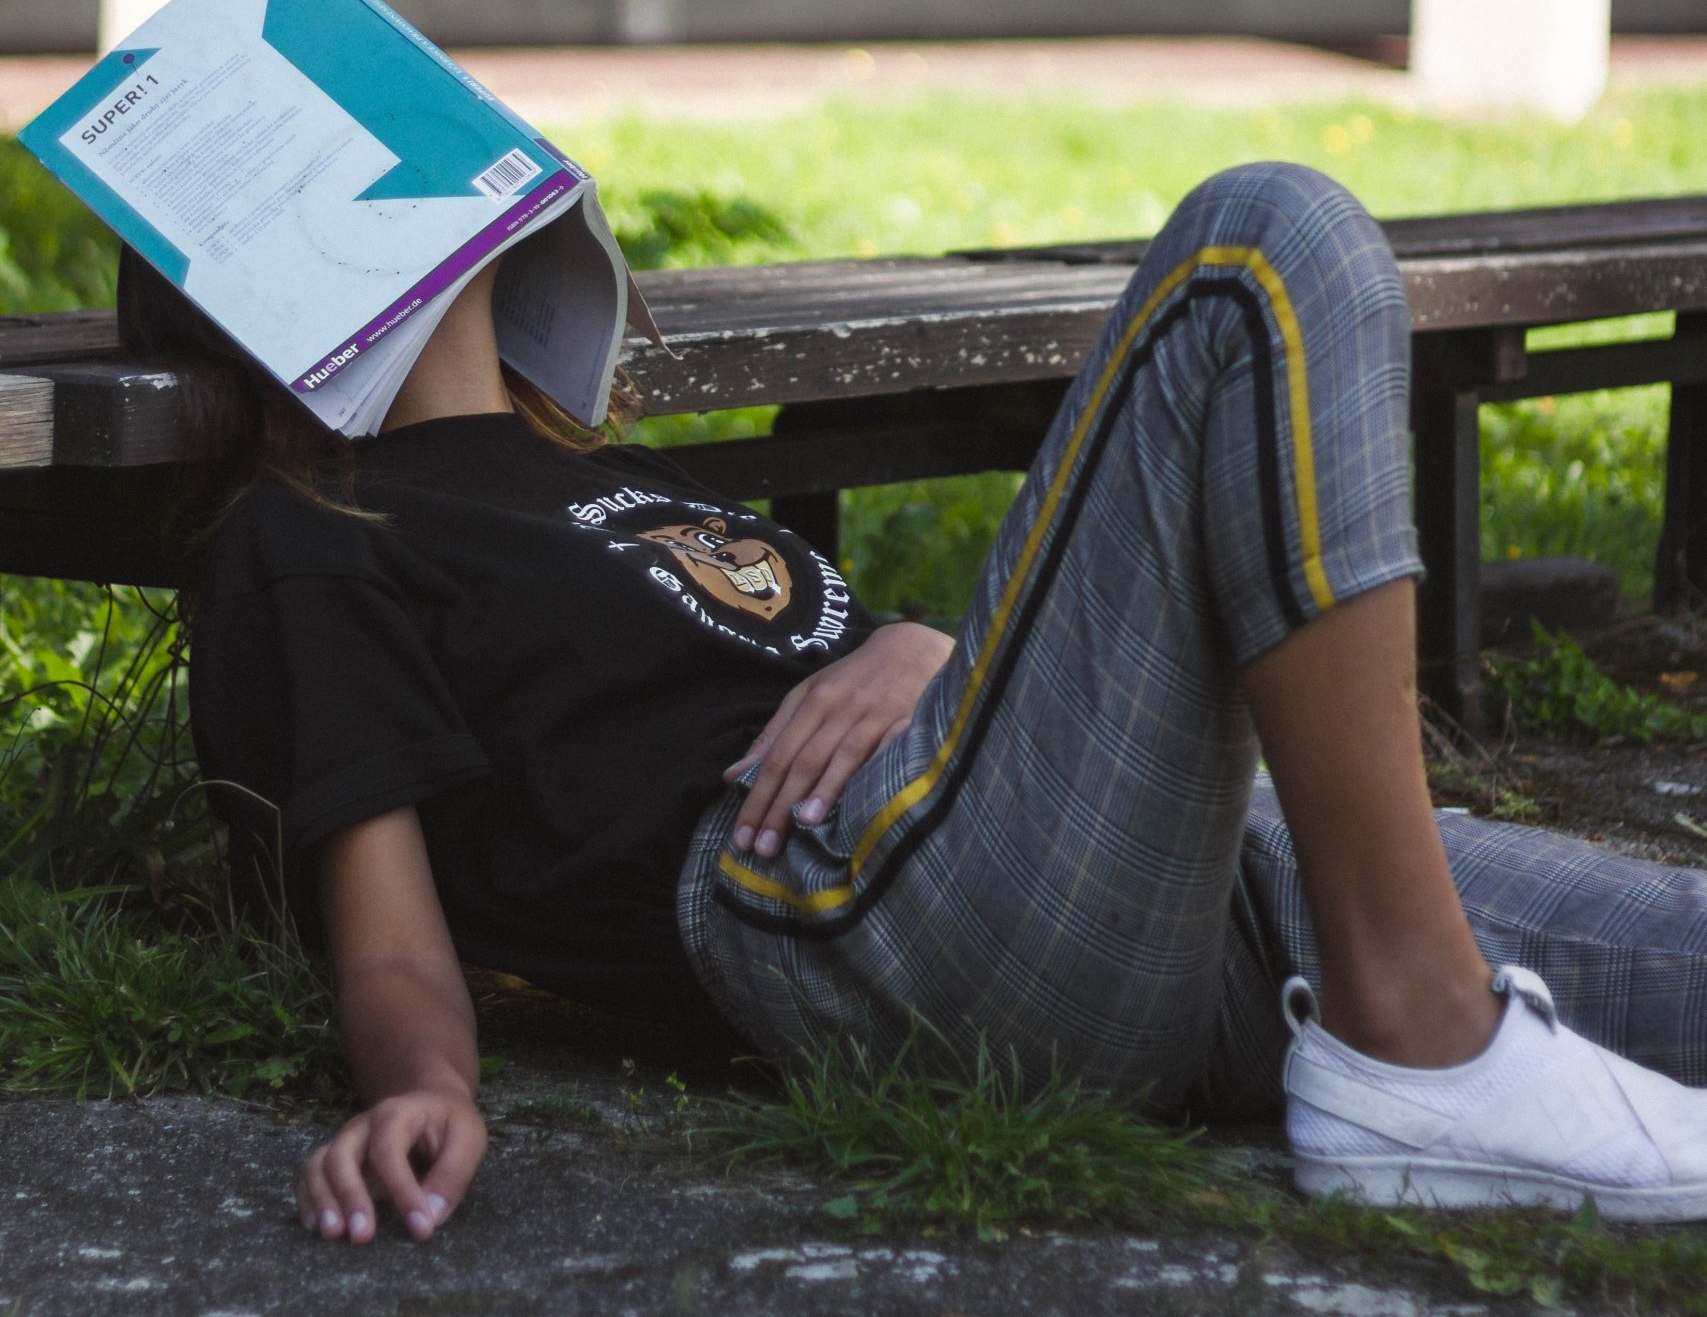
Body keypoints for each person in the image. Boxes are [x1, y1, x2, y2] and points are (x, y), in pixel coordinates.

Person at [139, 163, 1707, 1247]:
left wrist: (919, 646)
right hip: (870, 919)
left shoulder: (600, 479)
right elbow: (397, 936)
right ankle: (1420, 1043)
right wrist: (425, 1091)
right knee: (1263, 246)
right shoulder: (316, 536)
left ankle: (1406, 1025)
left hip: (1129, 870)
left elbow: (828, 666)